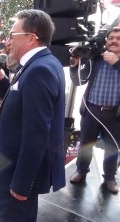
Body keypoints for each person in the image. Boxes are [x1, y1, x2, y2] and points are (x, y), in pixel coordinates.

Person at [0, 9, 66, 221]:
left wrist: (22, 182)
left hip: (17, 173)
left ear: (31, 38)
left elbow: (37, 133)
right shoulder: (40, 64)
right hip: (14, 167)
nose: (8, 41)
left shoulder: (39, 70)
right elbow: (22, 107)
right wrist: (3, 82)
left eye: (12, 35)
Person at [69, 26, 120, 193]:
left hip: (115, 114)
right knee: (86, 143)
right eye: (111, 37)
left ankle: (110, 177)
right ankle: (81, 171)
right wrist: (74, 65)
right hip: (91, 110)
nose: (114, 40)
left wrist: (117, 63)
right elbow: (79, 81)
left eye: (118, 38)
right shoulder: (96, 59)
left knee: (111, 147)